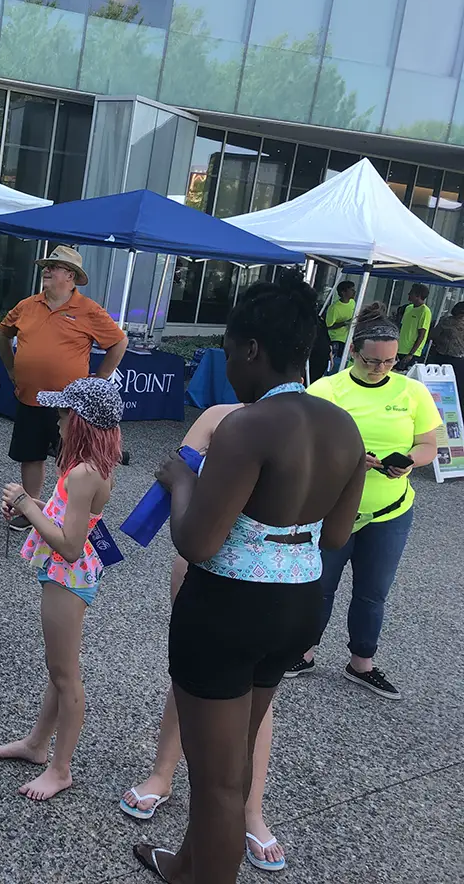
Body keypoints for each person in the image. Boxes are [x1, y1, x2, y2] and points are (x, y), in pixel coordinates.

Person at [134, 280, 366, 884]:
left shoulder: (248, 425)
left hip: (226, 609)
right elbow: (337, 535)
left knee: (216, 782)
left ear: (254, 350)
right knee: (232, 757)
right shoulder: (343, 427)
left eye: (231, 353)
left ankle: (202, 875)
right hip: (298, 605)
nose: (229, 366)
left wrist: (179, 482)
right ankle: (187, 863)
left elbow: (198, 541)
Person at [120, 403, 293, 873]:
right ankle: (162, 773)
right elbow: (175, 474)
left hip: (271, 572)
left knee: (258, 694)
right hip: (205, 556)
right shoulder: (219, 415)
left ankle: (250, 809)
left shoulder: (312, 417)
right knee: (189, 673)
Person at [290, 304, 440, 701]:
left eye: (390, 361)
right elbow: (303, 443)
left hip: (390, 511)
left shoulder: (413, 391)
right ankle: (302, 652)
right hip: (335, 506)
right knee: (319, 586)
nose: (381, 368)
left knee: (373, 591)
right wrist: (348, 461)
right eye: (373, 360)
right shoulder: (326, 389)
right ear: (354, 351)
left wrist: (409, 461)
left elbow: (428, 444)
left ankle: (362, 663)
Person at [0, 377, 123, 801]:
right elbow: (64, 521)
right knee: (57, 666)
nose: (58, 421)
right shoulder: (82, 468)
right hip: (68, 575)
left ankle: (60, 767)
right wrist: (33, 508)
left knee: (66, 674)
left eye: (65, 414)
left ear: (80, 422)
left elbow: (68, 545)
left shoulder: (83, 474)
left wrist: (28, 504)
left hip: (68, 577)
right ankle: (37, 743)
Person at [0, 246, 127, 532]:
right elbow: (2, 333)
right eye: (47, 265)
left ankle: (66, 513)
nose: (46, 270)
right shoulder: (27, 305)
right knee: (31, 454)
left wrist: (101, 378)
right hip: (31, 397)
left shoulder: (89, 310)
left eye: (53, 266)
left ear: (70, 275)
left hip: (70, 406)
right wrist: (9, 369)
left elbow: (119, 342)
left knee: (71, 459)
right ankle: (31, 510)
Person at [396, 283, 432, 369]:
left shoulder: (425, 311)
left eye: (411, 292)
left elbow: (422, 334)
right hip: (400, 348)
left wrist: (411, 354)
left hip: (411, 352)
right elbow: (402, 327)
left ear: (418, 295)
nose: (408, 294)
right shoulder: (408, 308)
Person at [427, 300, 464, 383]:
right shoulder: (446, 321)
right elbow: (433, 335)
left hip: (444, 355)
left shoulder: (445, 321)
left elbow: (432, 335)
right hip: (450, 357)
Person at [325, 280, 356, 371]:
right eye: (351, 290)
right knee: (336, 363)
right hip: (336, 339)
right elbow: (328, 326)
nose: (354, 292)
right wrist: (345, 323)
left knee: (347, 362)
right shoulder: (334, 308)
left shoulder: (353, 303)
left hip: (349, 339)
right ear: (343, 292)